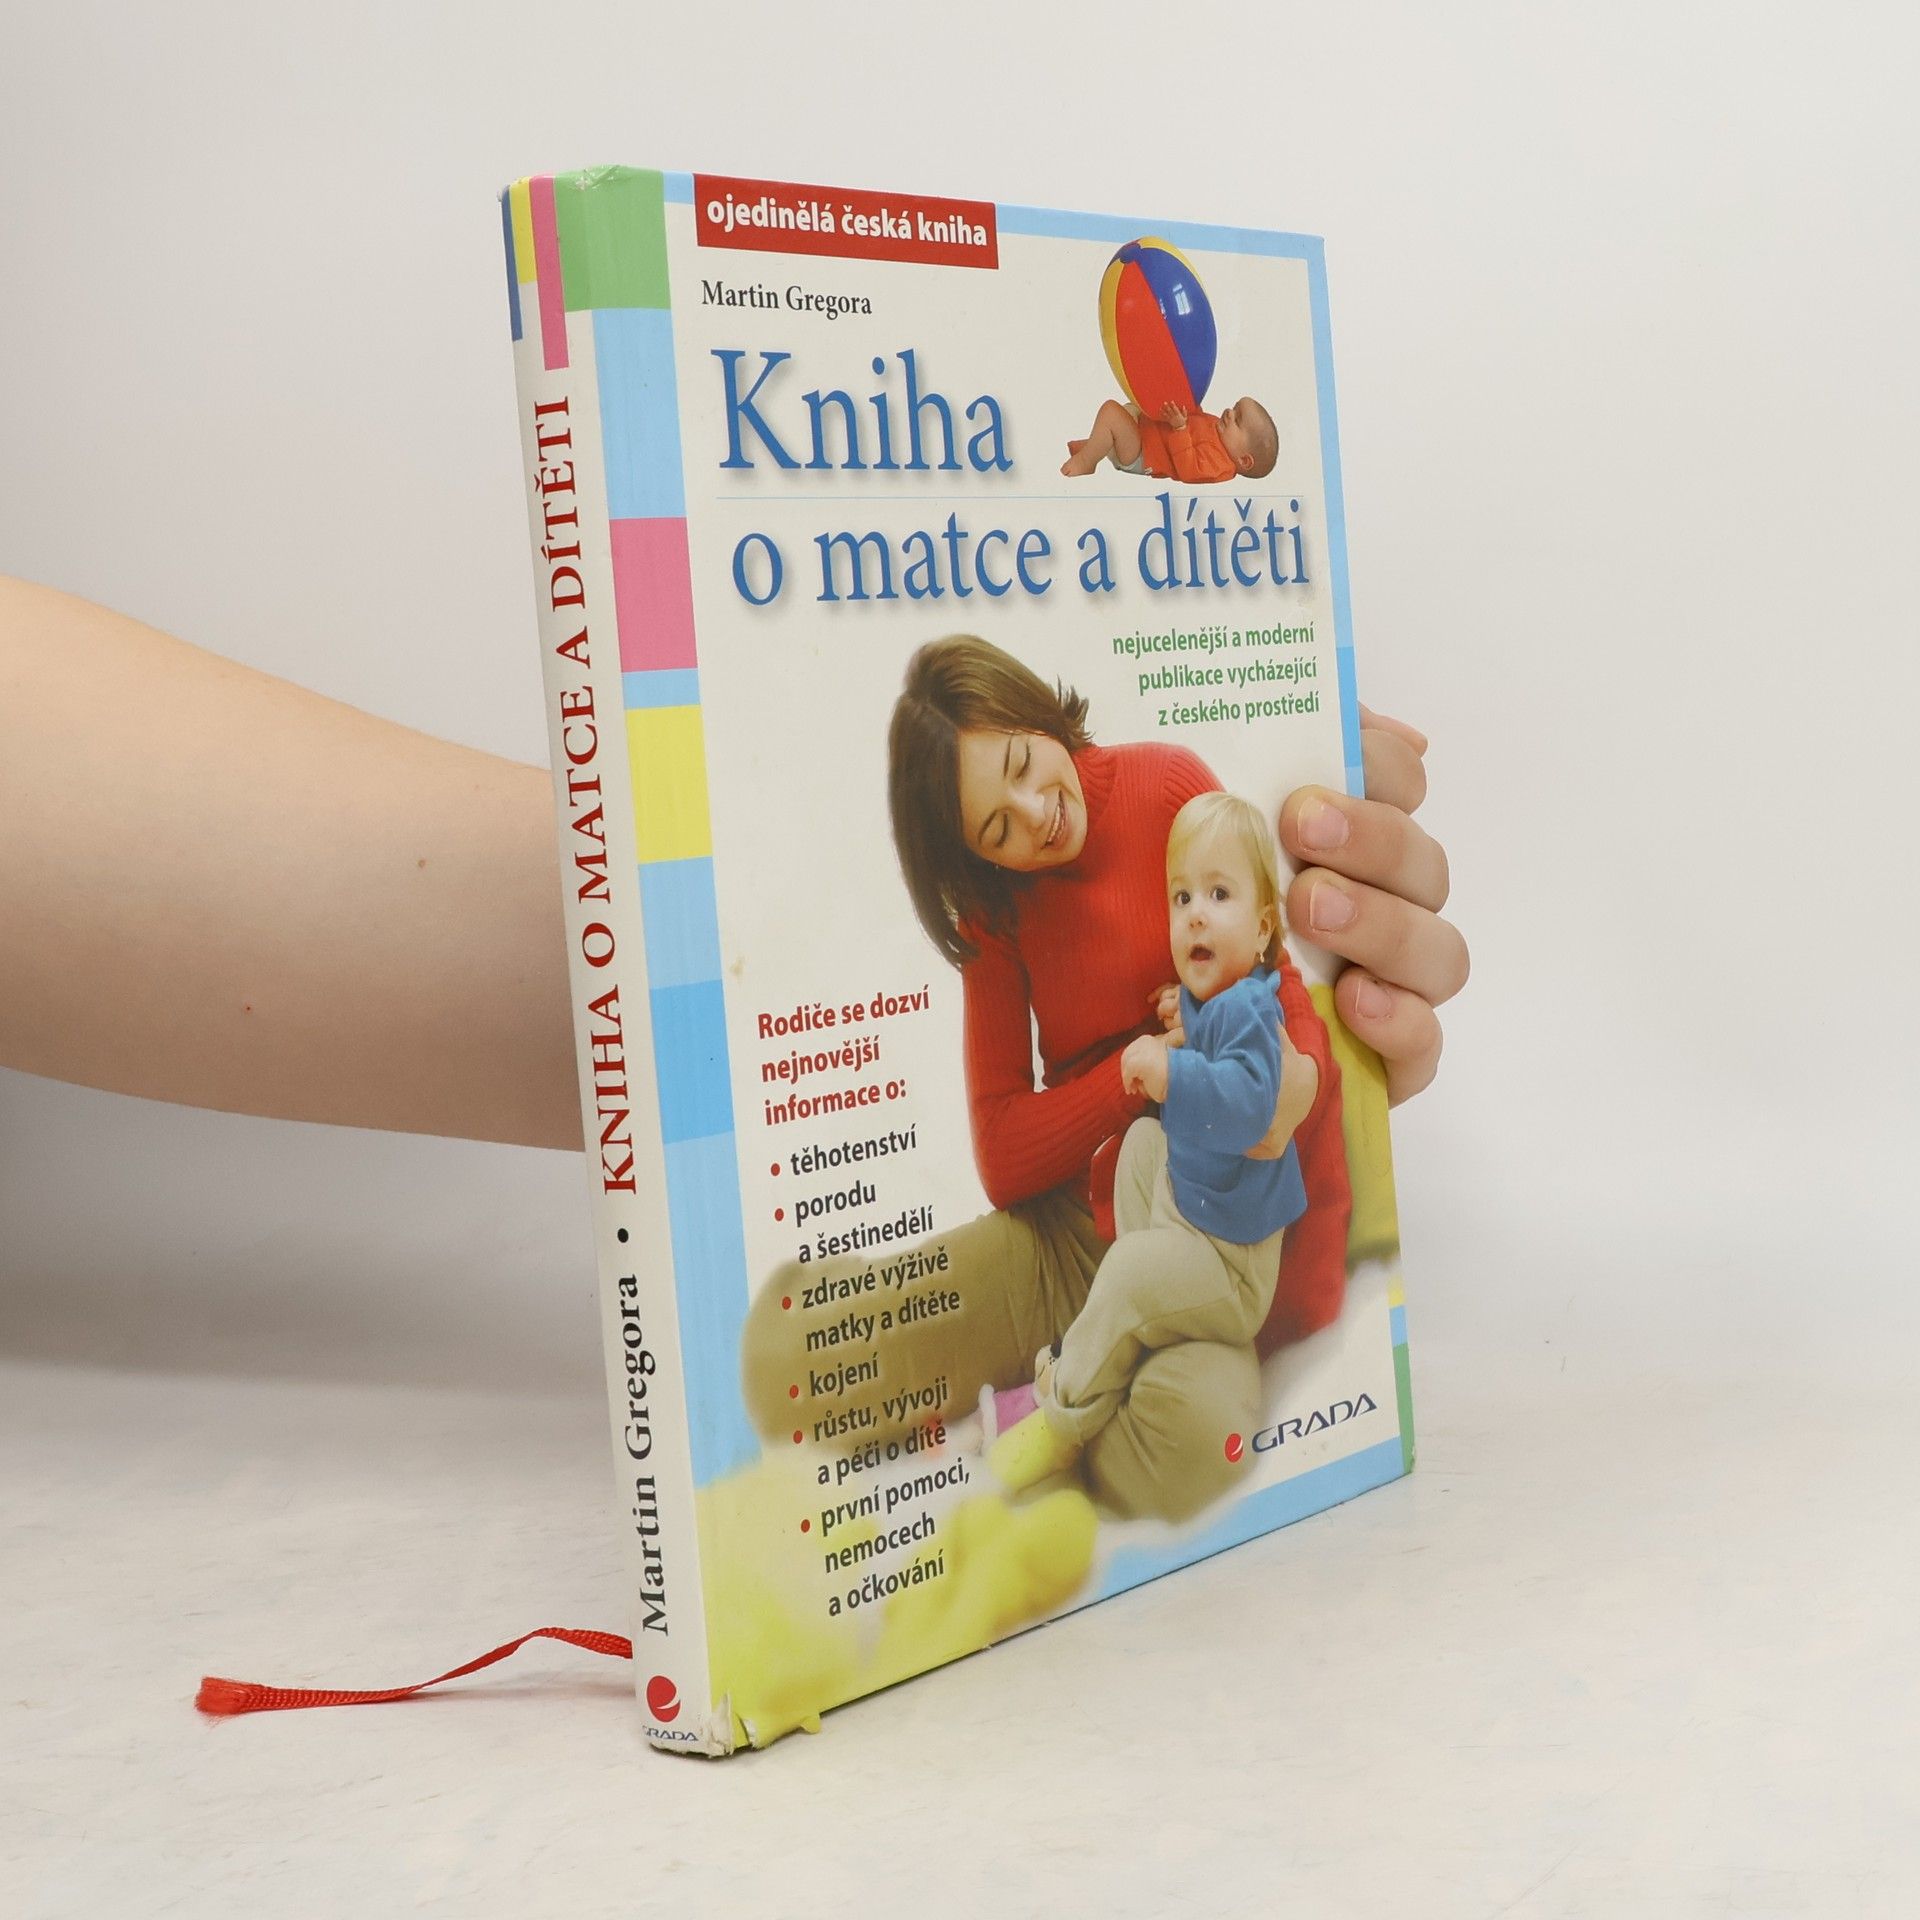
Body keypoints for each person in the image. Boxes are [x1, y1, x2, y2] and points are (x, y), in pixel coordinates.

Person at [739, 634, 1467, 1523]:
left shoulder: (1164, 787)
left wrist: (1292, 1079)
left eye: (1022, 764)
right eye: (997, 830)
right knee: (795, 1363)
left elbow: (1277, 982)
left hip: (1211, 1235)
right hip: (1077, 1237)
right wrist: (1136, 1073)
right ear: (979, 858)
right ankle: (1072, 1380)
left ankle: (1061, 1408)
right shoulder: (998, 908)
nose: (1035, 813)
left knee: (1190, 1438)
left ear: (1035, 714)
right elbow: (1004, 1155)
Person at [988, 791, 1306, 1494]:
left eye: (1218, 895)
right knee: (1138, 1144)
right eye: (1181, 896)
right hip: (1196, 1221)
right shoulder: (1219, 1002)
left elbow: (1249, 1106)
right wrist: (1181, 1011)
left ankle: (1063, 1412)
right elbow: (1208, 1032)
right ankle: (1138, 1320)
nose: (1194, 913)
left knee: (1130, 1268)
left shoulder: (1254, 1011)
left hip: (1233, 1270)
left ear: (1262, 930)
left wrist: (1172, 1071)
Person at [1062, 396, 1277, 482]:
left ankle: (1087, 461)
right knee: (1131, 408)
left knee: (1111, 413)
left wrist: (1180, 428)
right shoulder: (1221, 432)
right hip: (1147, 431)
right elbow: (1197, 421)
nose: (1229, 412)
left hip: (1142, 454)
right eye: (1234, 407)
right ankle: (1097, 446)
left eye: (1237, 419)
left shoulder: (1219, 464)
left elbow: (1188, 471)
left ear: (1244, 460)